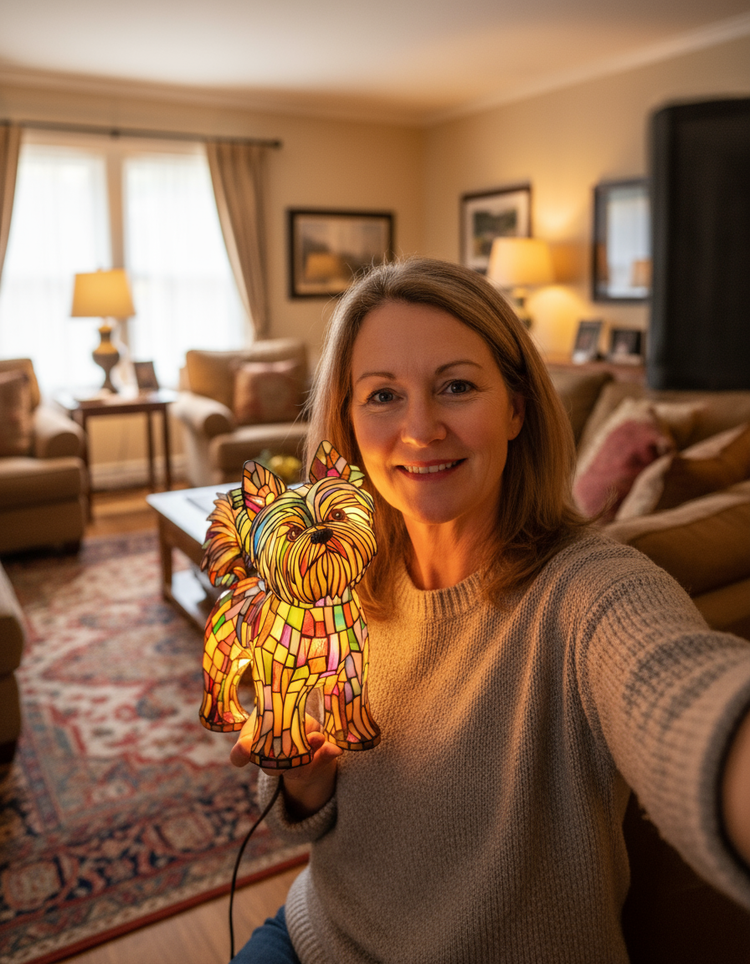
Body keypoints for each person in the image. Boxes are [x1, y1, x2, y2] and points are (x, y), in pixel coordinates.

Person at [228, 257, 750, 963]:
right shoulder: (336, 583)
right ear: (348, 425)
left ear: (515, 407)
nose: (420, 428)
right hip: (315, 936)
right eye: (382, 396)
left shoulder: (591, 592)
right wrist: (299, 780)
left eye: (456, 387)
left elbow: (680, 693)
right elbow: (306, 819)